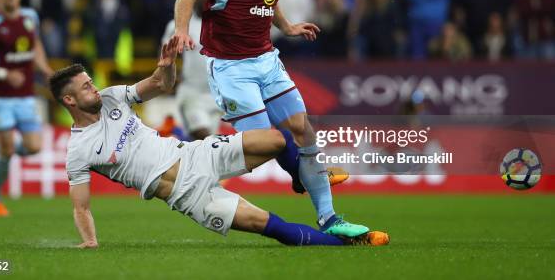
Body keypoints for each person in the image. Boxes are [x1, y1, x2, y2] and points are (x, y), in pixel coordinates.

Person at [49, 54, 389, 248]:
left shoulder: (112, 97)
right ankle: (348, 244)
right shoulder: (79, 150)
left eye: (91, 81)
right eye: (86, 87)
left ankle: (300, 181)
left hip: (195, 153)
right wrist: (90, 241)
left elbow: (158, 84)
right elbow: (81, 207)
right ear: (69, 100)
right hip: (186, 195)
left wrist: (166, 66)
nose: (94, 87)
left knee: (278, 139)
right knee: (267, 225)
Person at [170, 0, 368, 237]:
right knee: (268, 144)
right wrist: (180, 31)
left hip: (266, 60)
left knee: (303, 130)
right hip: (231, 67)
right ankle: (196, 165)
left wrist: (287, 25)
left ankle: (330, 219)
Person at [0, 0, 53, 217]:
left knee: (34, 147)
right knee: (8, 151)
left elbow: (35, 45)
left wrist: (45, 68)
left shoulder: (30, 17)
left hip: (26, 95)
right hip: (0, 97)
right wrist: (4, 74)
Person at [161, 9, 222, 140]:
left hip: (216, 94)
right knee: (203, 136)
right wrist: (170, 79)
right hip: (192, 92)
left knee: (207, 146)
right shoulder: (178, 26)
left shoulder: (223, 23)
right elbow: (164, 55)